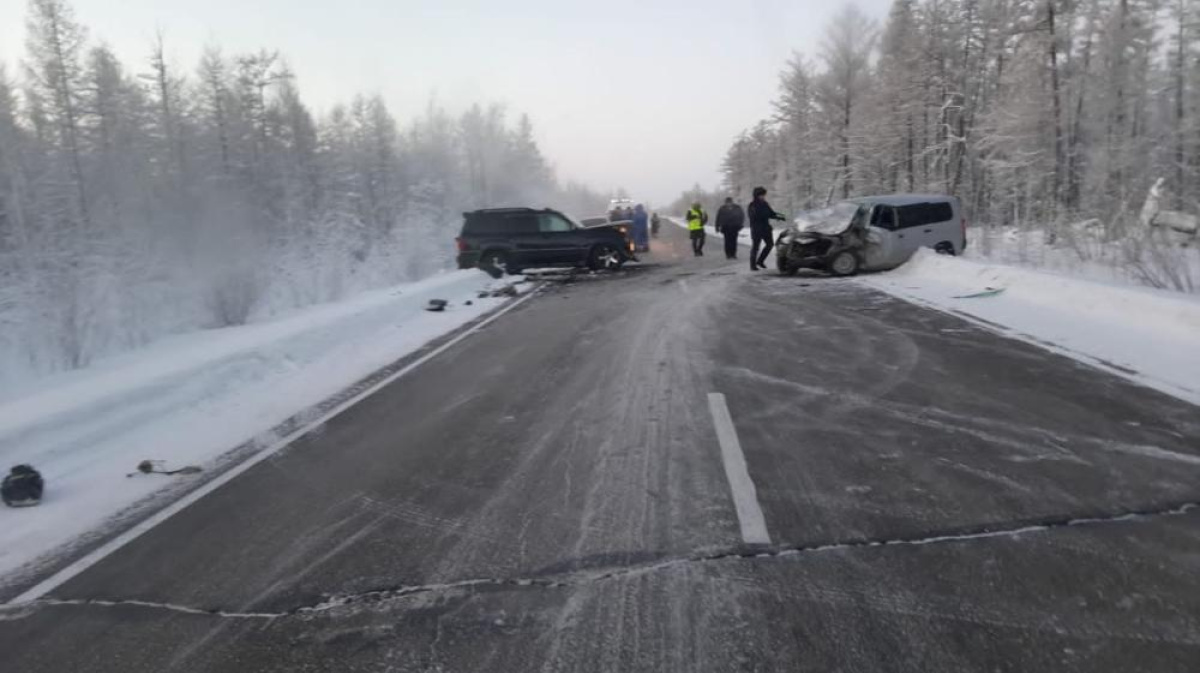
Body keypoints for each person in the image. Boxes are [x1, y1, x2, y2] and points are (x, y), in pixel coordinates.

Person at [747, 186, 786, 270]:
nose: (763, 196)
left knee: (770, 244)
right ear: (756, 195)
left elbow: (771, 213)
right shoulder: (752, 205)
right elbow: (753, 216)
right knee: (755, 247)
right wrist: (765, 215)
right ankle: (752, 265)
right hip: (756, 229)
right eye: (761, 195)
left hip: (766, 228)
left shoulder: (765, 204)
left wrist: (780, 216)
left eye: (764, 195)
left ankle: (760, 261)